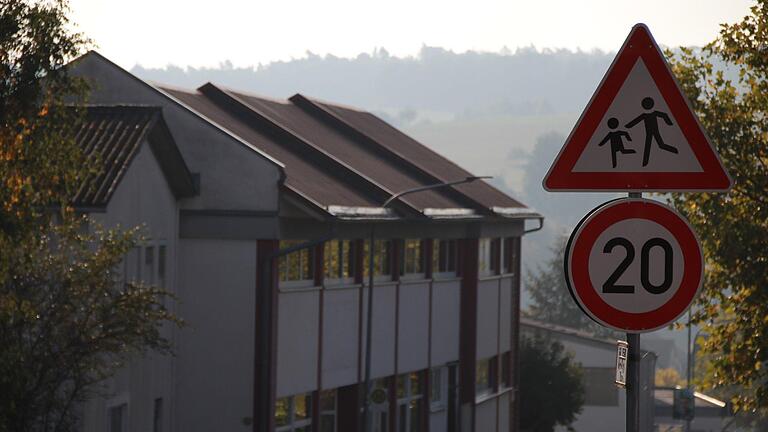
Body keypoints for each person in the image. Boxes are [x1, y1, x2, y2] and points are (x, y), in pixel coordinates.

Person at [625, 97, 678, 166]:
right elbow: (635, 121)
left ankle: (675, 150)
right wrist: (627, 126)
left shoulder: (653, 113)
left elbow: (664, 115)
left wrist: (669, 123)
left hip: (655, 132)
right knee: (650, 146)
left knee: (660, 145)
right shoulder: (645, 115)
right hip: (649, 133)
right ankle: (645, 163)